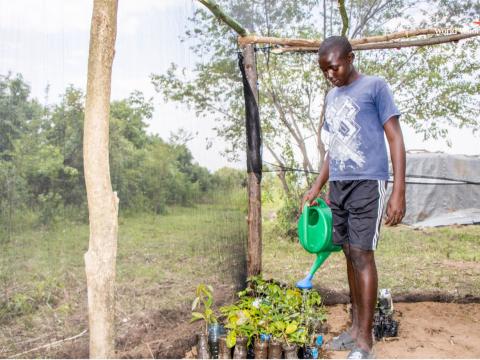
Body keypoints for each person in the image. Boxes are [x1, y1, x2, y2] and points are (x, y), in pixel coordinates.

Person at [301, 36, 406, 359]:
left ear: (350, 57)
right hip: (340, 187)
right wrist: (318, 185)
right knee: (348, 252)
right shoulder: (332, 96)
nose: (330, 74)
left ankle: (365, 340)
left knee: (362, 254)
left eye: (334, 66)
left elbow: (395, 137)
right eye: (324, 70)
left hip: (367, 182)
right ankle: (354, 329)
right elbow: (334, 149)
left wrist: (398, 190)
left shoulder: (375, 87)